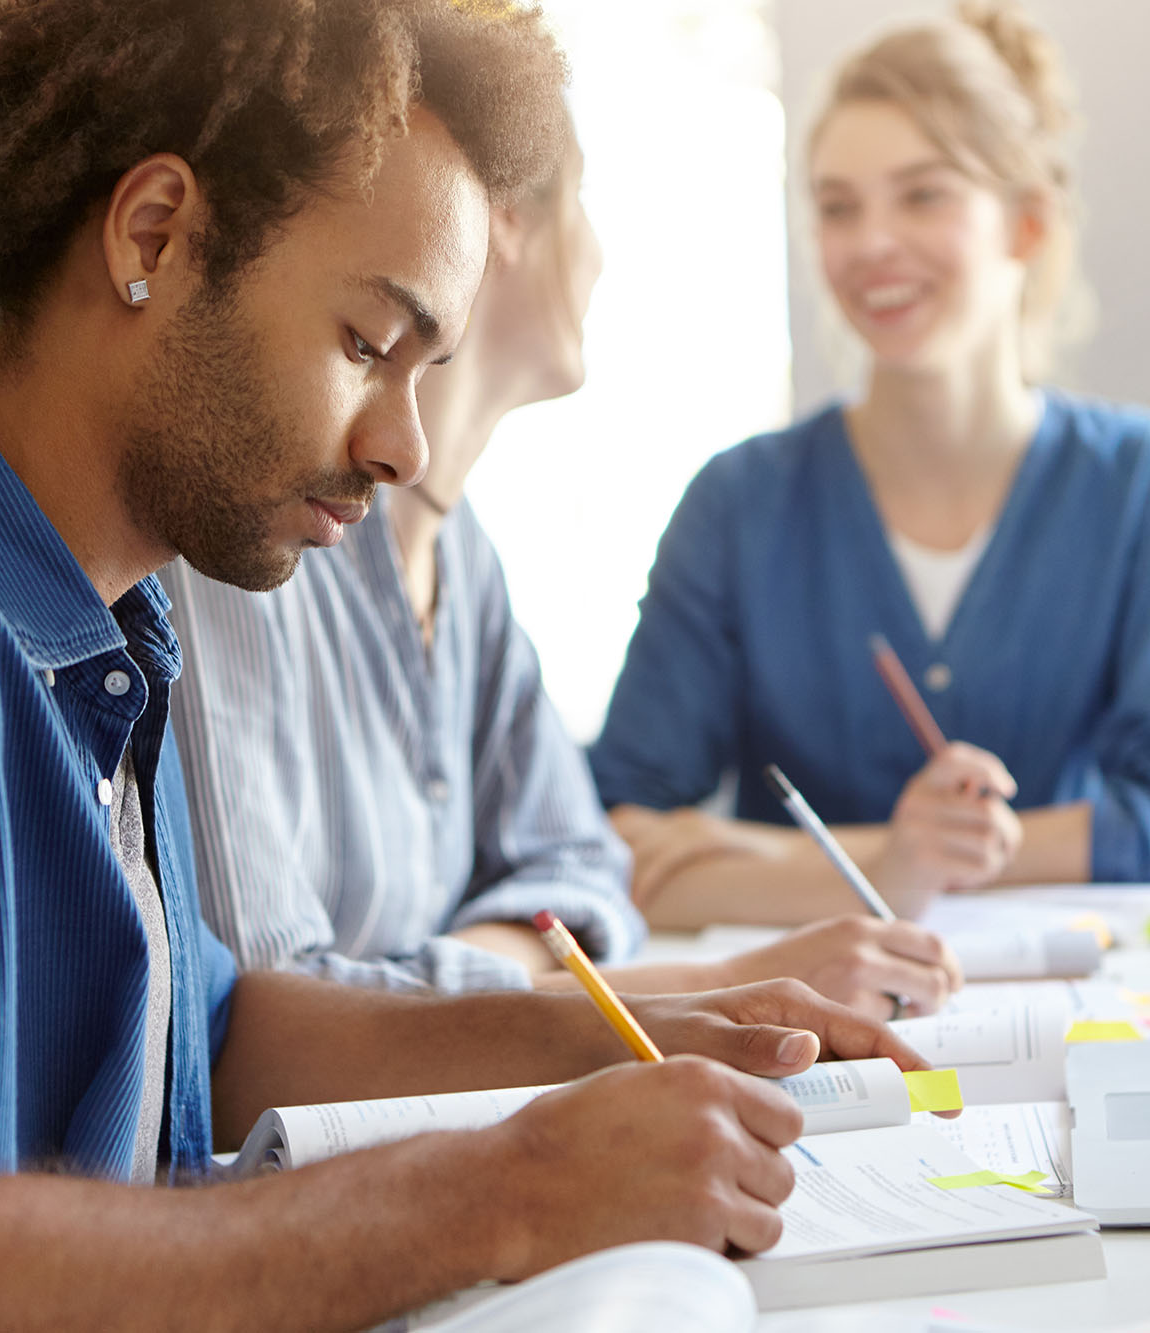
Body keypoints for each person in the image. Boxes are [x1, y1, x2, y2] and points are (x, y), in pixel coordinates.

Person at [0, 5, 925, 1330]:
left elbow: (217, 1026)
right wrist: (506, 1191)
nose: (404, 448)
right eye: (369, 344)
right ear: (155, 236)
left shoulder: (99, 624)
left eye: (427, 369)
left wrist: (610, 1037)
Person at [163, 120, 964, 1020]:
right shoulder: (261, 535)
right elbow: (271, 1017)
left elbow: (581, 862)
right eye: (582, 200)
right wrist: (554, 978)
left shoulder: (465, 560)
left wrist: (481, 974)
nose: (600, 253)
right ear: (502, 217)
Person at [588, 0, 1150, 931]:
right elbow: (615, 833)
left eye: (923, 194)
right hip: (805, 1029)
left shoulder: (1142, 483)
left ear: (1026, 224)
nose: (870, 244)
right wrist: (895, 855)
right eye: (837, 207)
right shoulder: (739, 504)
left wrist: (824, 859)